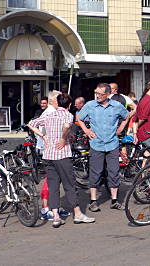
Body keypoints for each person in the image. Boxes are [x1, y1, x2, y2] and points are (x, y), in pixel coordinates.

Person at [27, 91, 95, 228]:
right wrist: (64, 138)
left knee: (53, 186)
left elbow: (31, 124)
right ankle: (77, 213)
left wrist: (43, 136)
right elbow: (66, 127)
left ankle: (56, 216)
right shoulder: (68, 115)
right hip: (62, 155)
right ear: (69, 104)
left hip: (48, 155)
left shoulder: (49, 115)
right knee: (70, 185)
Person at [76, 83, 134, 212]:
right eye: (96, 93)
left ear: (108, 94)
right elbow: (79, 117)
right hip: (96, 144)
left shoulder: (116, 106)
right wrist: (86, 130)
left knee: (114, 172)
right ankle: (93, 201)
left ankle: (114, 200)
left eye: (100, 94)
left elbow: (127, 116)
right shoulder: (90, 105)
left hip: (112, 144)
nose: (97, 96)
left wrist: (120, 129)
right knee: (95, 172)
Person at [135, 81, 150, 165]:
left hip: (147, 132)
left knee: (147, 155)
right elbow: (143, 117)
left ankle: (143, 176)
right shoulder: (148, 100)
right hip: (146, 133)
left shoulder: (144, 99)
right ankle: (147, 172)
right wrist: (136, 127)